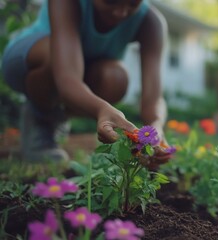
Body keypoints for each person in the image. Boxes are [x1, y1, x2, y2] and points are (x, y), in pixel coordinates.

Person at [1, 0, 171, 163]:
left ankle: (57, 117)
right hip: (30, 61)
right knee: (57, 58)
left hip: (80, 71)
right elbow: (67, 78)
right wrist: (102, 109)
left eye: (133, 3)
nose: (121, 12)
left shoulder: (150, 22)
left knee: (115, 78)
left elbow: (153, 98)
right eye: (111, 1)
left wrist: (156, 128)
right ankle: (40, 118)